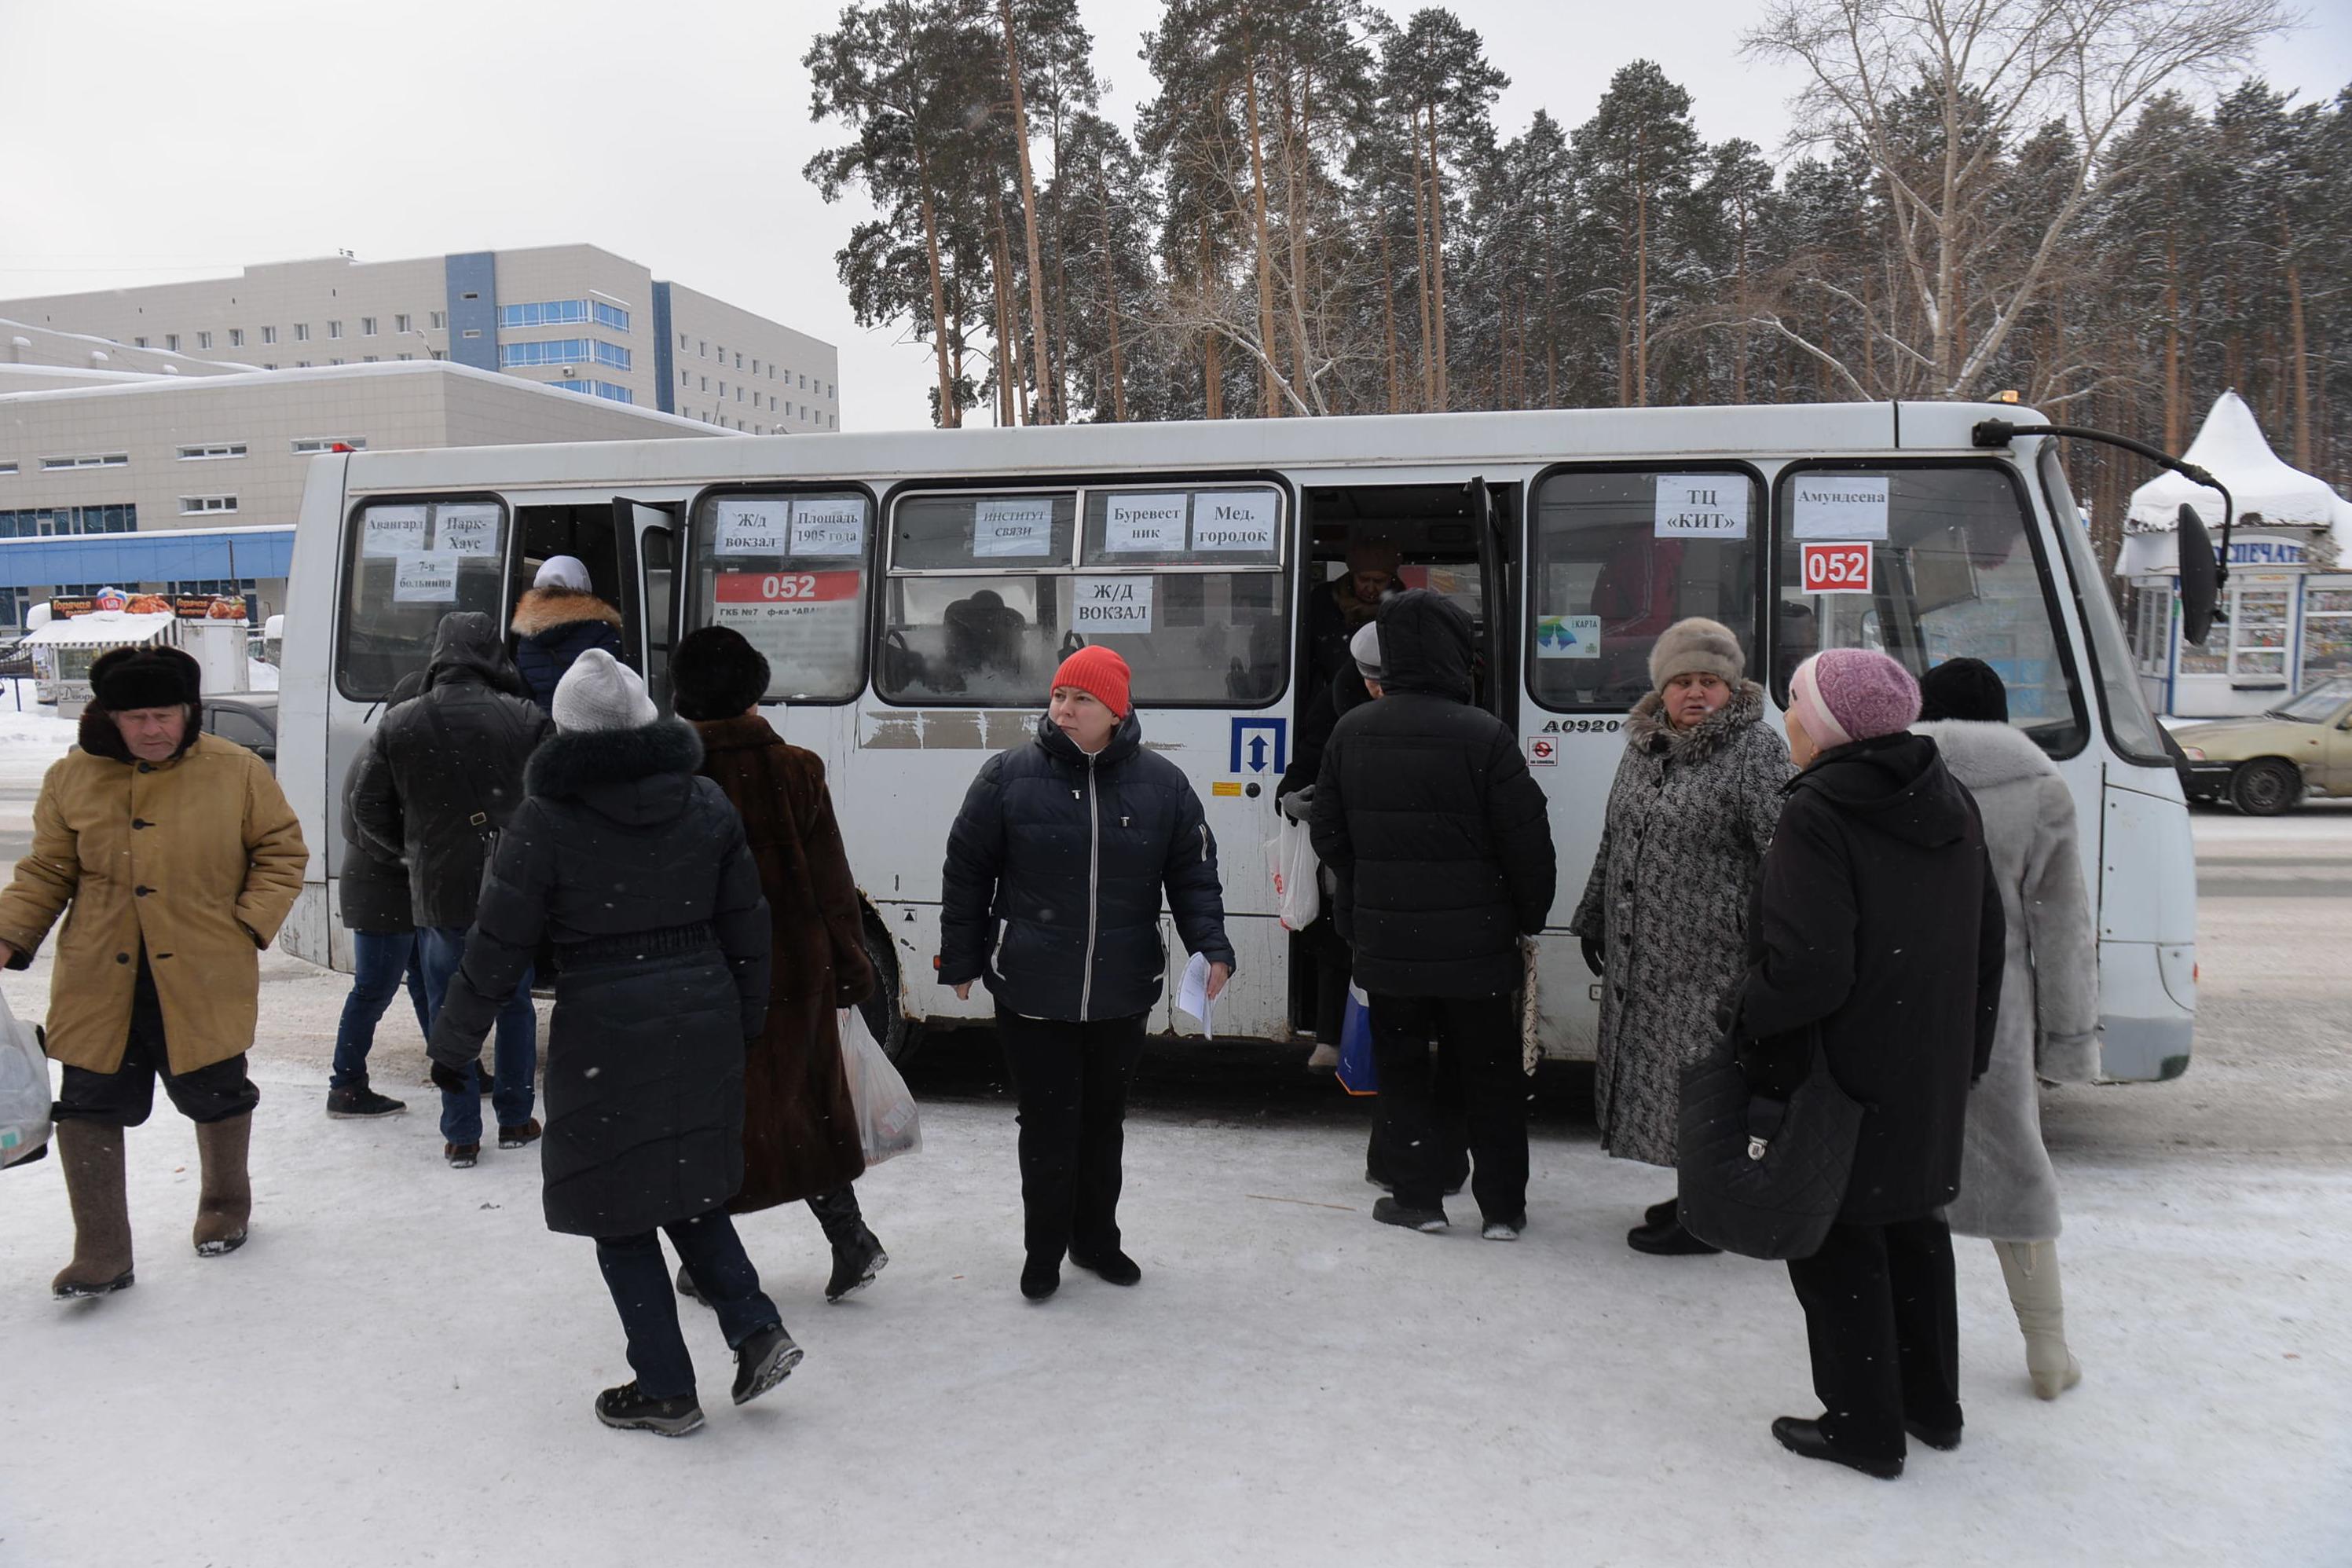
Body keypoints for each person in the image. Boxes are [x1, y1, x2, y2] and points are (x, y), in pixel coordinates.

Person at [427, 650, 796, 1437]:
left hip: (606, 1025)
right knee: (688, 1183)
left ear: (566, 732)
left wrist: (454, 1039)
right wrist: (746, 1013)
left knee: (618, 1206)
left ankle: (665, 1387)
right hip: (702, 1011)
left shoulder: (547, 820)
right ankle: (756, 1325)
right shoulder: (705, 801)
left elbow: (498, 944)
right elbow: (748, 922)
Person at [1732, 648, 2003, 1480]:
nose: (1787, 719)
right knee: (1915, 1228)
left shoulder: (1818, 810)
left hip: (1841, 1062)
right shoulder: (1944, 793)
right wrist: (1968, 1052)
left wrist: (1746, 1019)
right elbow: (1989, 936)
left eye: (1795, 704)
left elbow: (1809, 966)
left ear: (1823, 722)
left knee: (1837, 1241)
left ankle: (1862, 1426)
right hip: (1925, 1058)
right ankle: (1929, 1404)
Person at [0, 645, 306, 1296]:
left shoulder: (237, 771)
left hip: (200, 974)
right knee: (86, 1106)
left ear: (188, 711)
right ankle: (103, 1251)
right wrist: (7, 934)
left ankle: (225, 1206)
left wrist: (245, 925)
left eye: (164, 714)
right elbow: (49, 871)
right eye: (135, 717)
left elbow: (281, 852)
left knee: (217, 1093)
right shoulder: (71, 778)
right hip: (98, 978)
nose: (152, 729)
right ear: (109, 717)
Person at [940, 645, 1235, 1302]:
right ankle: (1042, 1251)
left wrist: (1211, 947)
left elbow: (1193, 876)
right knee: (1047, 1124)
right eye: (1058, 697)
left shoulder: (1163, 785)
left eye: (1083, 700)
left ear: (1116, 710)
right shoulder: (1008, 777)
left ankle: (1096, 1240)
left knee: (1104, 1122)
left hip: (1122, 990)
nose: (1065, 710)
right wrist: (961, 957)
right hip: (1032, 987)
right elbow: (967, 873)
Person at [1309, 589, 1555, 1240]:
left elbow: (1328, 834)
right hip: (1478, 949)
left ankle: (1418, 1198)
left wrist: (1364, 902)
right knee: (1491, 1075)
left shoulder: (1351, 731)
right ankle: (1503, 1208)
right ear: (1456, 655)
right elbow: (1527, 839)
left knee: (1405, 1070)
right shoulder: (1485, 734)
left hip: (1390, 945)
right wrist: (1525, 914)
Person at [669, 626, 888, 1304]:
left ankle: (712, 1263)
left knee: (711, 1118)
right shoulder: (797, 768)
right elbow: (832, 882)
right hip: (798, 970)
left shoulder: (675, 776)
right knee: (806, 1106)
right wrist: (851, 966)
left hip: (711, 976)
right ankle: (851, 1238)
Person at [1569, 617, 1791, 1255]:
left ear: (1733, 687)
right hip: (1647, 956)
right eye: (1683, 682)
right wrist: (1594, 915)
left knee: (1705, 1082)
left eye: (1710, 682)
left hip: (1715, 960)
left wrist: (1770, 945)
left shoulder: (1756, 749)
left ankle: (1710, 1212)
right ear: (1662, 690)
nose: (1696, 694)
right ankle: (1696, 1194)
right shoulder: (1643, 748)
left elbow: (1782, 850)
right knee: (1665, 1084)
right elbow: (1616, 838)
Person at [1916, 657, 2097, 1401]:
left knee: (1902, 1179)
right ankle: (2048, 1349)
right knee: (2014, 1167)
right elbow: (2062, 930)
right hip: (1998, 1010)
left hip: (1896, 1001)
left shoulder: (1890, 776)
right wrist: (2069, 1038)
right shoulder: (2040, 789)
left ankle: (1913, 1354)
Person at [350, 611, 552, 1167]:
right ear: (493, 653)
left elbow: (366, 807)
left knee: (446, 1007)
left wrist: (411, 850)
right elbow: (555, 801)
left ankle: (461, 1133)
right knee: (512, 1004)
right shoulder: (528, 717)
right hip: (509, 886)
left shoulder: (401, 721)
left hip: (437, 888)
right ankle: (514, 1118)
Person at [325, 700, 429, 1120]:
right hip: (381, 894)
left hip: (394, 890)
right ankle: (346, 1086)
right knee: (373, 991)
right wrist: (415, 855)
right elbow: (366, 822)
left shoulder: (382, 747)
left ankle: (456, 1066)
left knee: (427, 981)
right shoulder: (386, 754)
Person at [511, 555, 624, 713]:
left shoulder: (528, 637)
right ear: (584, 586)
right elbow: (613, 689)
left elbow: (524, 694)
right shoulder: (603, 632)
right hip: (587, 724)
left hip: (544, 725)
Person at [1302, 538, 1400, 699]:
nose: (1370, 588)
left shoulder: (1402, 606)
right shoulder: (1323, 602)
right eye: (1363, 579)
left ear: (1391, 579)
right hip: (1330, 692)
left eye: (1379, 581)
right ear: (1352, 575)